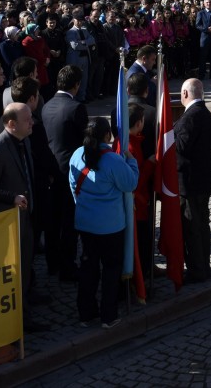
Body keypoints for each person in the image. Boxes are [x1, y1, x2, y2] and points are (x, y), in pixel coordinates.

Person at [68, 116, 139, 329]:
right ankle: (108, 316)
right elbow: (130, 183)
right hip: (111, 226)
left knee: (88, 268)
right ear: (107, 135)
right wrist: (132, 160)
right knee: (111, 270)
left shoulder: (76, 154)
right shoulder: (113, 160)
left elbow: (73, 186)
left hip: (86, 223)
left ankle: (86, 313)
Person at [0, 102, 41, 305]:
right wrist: (9, 199)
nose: (32, 122)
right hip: (7, 224)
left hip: (25, 219)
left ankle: (24, 309)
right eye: (27, 119)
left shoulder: (25, 141)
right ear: (12, 124)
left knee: (24, 268)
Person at [40, 65, 88, 282]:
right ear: (76, 84)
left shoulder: (46, 105)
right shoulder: (76, 107)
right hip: (71, 172)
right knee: (69, 222)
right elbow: (85, 142)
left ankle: (53, 264)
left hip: (51, 170)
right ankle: (68, 267)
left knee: (53, 219)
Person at [173, 78, 211, 283]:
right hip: (202, 179)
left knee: (192, 228)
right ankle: (203, 266)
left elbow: (181, 146)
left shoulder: (191, 116)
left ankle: (198, 270)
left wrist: (169, 134)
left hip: (190, 182)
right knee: (202, 226)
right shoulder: (205, 113)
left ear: (186, 94)